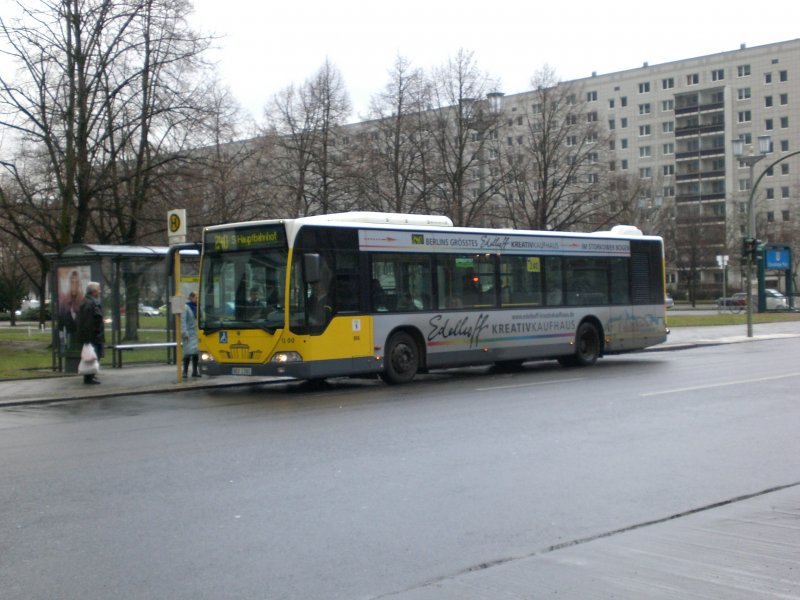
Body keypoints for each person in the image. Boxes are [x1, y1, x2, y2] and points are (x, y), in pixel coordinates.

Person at [77, 281, 105, 384]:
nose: (100, 292)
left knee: (92, 356)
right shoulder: (91, 303)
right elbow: (90, 321)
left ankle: (90, 375)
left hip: (91, 335)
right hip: (93, 336)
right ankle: (89, 377)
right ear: (93, 291)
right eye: (98, 290)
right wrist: (93, 334)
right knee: (93, 356)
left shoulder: (87, 302)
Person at [182, 291, 200, 378]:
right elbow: (183, 321)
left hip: (196, 334)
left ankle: (195, 371)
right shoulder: (186, 307)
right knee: (188, 353)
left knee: (196, 353)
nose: (197, 300)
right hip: (189, 334)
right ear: (191, 298)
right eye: (196, 298)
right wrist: (184, 333)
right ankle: (185, 371)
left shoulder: (197, 307)